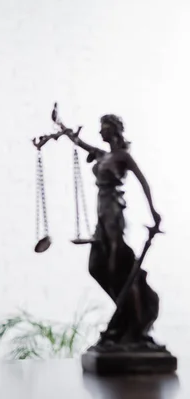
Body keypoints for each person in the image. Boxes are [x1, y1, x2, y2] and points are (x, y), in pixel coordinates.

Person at [64, 114, 162, 350]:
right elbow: (80, 143)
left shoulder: (123, 157)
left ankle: (134, 326)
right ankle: (126, 314)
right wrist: (62, 129)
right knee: (96, 267)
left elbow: (144, 182)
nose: (100, 133)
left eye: (103, 128)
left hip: (113, 212)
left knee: (117, 265)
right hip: (101, 213)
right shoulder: (104, 155)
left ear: (114, 131)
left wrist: (154, 213)